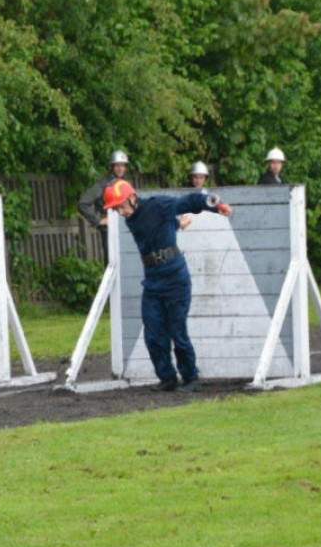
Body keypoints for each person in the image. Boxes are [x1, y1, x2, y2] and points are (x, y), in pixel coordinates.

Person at [101, 179, 232, 392]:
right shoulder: (132, 219)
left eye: (120, 206)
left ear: (132, 198)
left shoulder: (157, 205)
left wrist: (215, 206)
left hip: (175, 279)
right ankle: (167, 378)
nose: (119, 212)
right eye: (115, 209)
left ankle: (190, 377)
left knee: (177, 332)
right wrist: (177, 224)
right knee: (153, 335)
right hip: (152, 281)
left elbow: (189, 201)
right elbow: (159, 227)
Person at [78, 150, 130, 264]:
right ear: (111, 167)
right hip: (110, 229)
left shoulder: (125, 183)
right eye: (117, 166)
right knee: (112, 264)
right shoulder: (103, 184)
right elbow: (83, 203)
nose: (120, 169)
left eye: (123, 166)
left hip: (125, 227)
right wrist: (98, 220)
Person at [179, 161, 209, 230]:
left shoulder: (209, 198)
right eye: (195, 177)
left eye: (201, 178)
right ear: (191, 178)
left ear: (205, 179)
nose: (198, 181)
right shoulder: (184, 196)